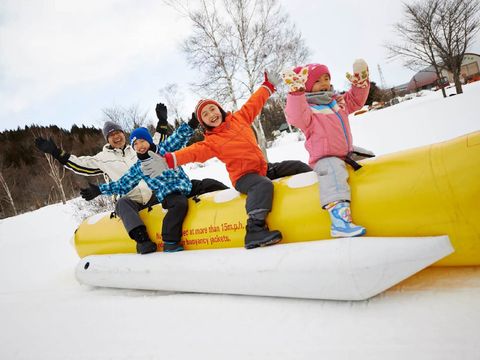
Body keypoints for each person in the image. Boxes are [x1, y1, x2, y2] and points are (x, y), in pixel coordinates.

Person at [141, 72, 312, 250]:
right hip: (244, 177)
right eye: (205, 115)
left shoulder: (240, 118)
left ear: (219, 109)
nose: (211, 114)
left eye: (212, 109)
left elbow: (254, 102)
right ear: (204, 122)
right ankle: (254, 229)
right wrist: (168, 160)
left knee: (298, 166)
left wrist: (267, 86)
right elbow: (192, 153)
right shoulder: (212, 141)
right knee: (262, 185)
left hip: (262, 168)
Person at [35, 104, 227, 254]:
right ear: (107, 140)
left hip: (155, 194)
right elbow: (82, 165)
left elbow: (166, 140)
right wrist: (57, 153)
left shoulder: (139, 148)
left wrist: (163, 121)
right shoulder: (103, 158)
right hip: (135, 198)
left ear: (123, 134)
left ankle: (235, 200)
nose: (115, 137)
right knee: (123, 204)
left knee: (208, 183)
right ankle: (143, 240)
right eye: (111, 136)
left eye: (118, 132)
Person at [281, 59, 370, 237]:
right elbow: (295, 116)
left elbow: (355, 100)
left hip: (346, 152)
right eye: (318, 81)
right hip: (326, 158)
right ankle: (339, 221)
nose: (324, 83)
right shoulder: (308, 109)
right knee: (334, 176)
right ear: (307, 85)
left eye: (326, 78)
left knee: (369, 157)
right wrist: (296, 93)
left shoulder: (336, 101)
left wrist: (361, 83)